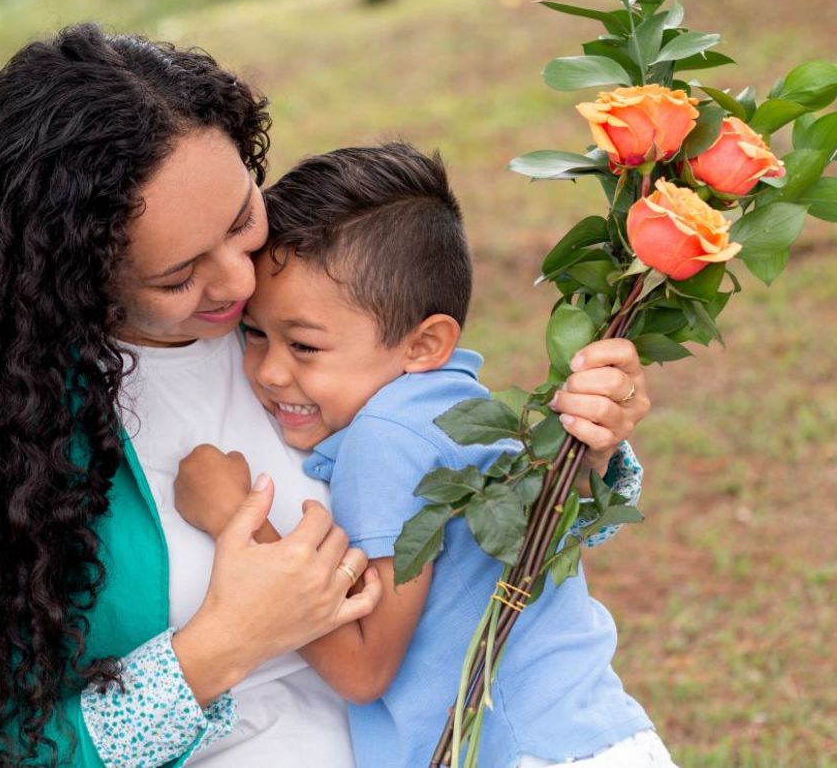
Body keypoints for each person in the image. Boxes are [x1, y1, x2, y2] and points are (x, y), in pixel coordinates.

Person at [0, 25, 654, 768]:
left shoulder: (304, 312)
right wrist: (213, 650)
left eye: (242, 218)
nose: (238, 280)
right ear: (72, 278)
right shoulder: (11, 440)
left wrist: (597, 445)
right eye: (180, 274)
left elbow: (470, 494)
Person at [174, 144, 674, 768]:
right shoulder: (458, 411)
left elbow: (364, 667)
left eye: (303, 346)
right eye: (254, 335)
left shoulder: (385, 436)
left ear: (424, 343)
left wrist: (234, 517)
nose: (270, 371)